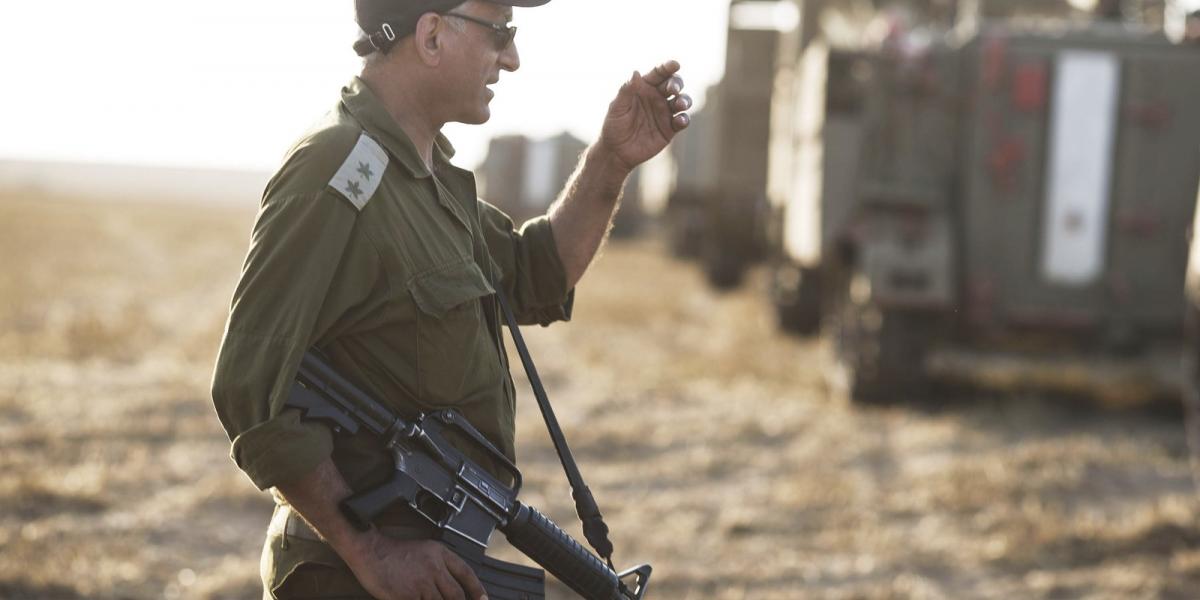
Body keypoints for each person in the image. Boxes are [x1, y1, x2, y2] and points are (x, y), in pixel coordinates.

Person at [210, 0, 691, 598]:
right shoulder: (339, 169)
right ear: (432, 35)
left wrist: (610, 160)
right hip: (350, 578)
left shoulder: (429, 177)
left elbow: (537, 274)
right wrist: (371, 550)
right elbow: (248, 384)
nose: (511, 59)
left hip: (427, 565)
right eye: (501, 33)